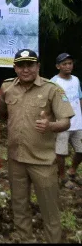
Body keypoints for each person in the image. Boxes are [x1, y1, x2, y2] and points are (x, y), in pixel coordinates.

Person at [0, 48, 74, 243]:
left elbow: (66, 121)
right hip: (16, 160)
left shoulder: (52, 89)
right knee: (19, 206)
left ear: (38, 66)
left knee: (50, 210)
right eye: (21, 65)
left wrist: (50, 125)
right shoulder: (7, 88)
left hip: (43, 161)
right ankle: (25, 239)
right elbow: (3, 113)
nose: (26, 70)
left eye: (30, 65)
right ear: (15, 68)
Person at [51, 52, 82, 189]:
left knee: (80, 150)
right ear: (58, 66)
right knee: (61, 152)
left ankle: (72, 170)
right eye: (64, 64)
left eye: (70, 63)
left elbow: (79, 98)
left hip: (78, 123)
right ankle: (62, 176)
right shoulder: (54, 82)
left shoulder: (76, 79)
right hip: (62, 124)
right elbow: (50, 101)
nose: (68, 66)